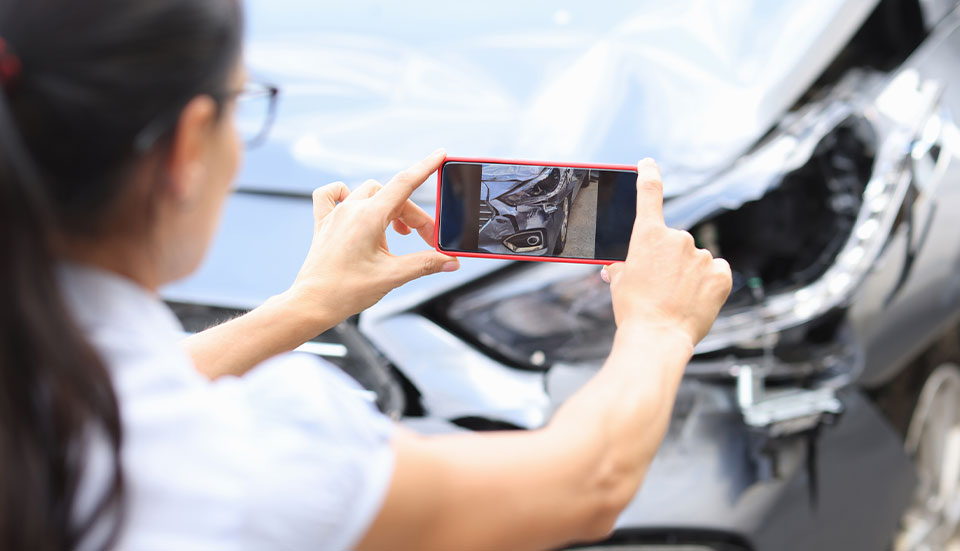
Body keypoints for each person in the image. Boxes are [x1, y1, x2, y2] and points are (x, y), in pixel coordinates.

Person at [0, 0, 732, 549]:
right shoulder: (245, 462)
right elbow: (585, 482)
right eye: (241, 106)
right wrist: (659, 327)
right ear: (186, 147)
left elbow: (107, 396)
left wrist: (303, 306)